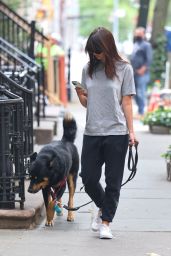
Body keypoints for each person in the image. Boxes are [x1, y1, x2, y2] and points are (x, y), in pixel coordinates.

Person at [75, 27, 137, 239]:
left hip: (116, 132)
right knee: (89, 177)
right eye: (92, 51)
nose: (95, 55)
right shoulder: (88, 69)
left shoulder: (124, 69)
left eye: (98, 51)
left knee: (113, 181)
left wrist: (131, 132)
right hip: (92, 131)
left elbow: (127, 103)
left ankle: (106, 222)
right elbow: (87, 103)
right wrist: (81, 95)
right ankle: (103, 207)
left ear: (108, 48)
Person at [130, 27, 153, 118]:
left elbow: (149, 59)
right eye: (136, 33)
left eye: (139, 33)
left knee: (141, 92)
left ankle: (142, 112)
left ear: (143, 34)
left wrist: (142, 70)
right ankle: (140, 110)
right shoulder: (136, 44)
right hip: (134, 73)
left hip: (142, 73)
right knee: (134, 93)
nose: (137, 35)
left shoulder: (146, 45)